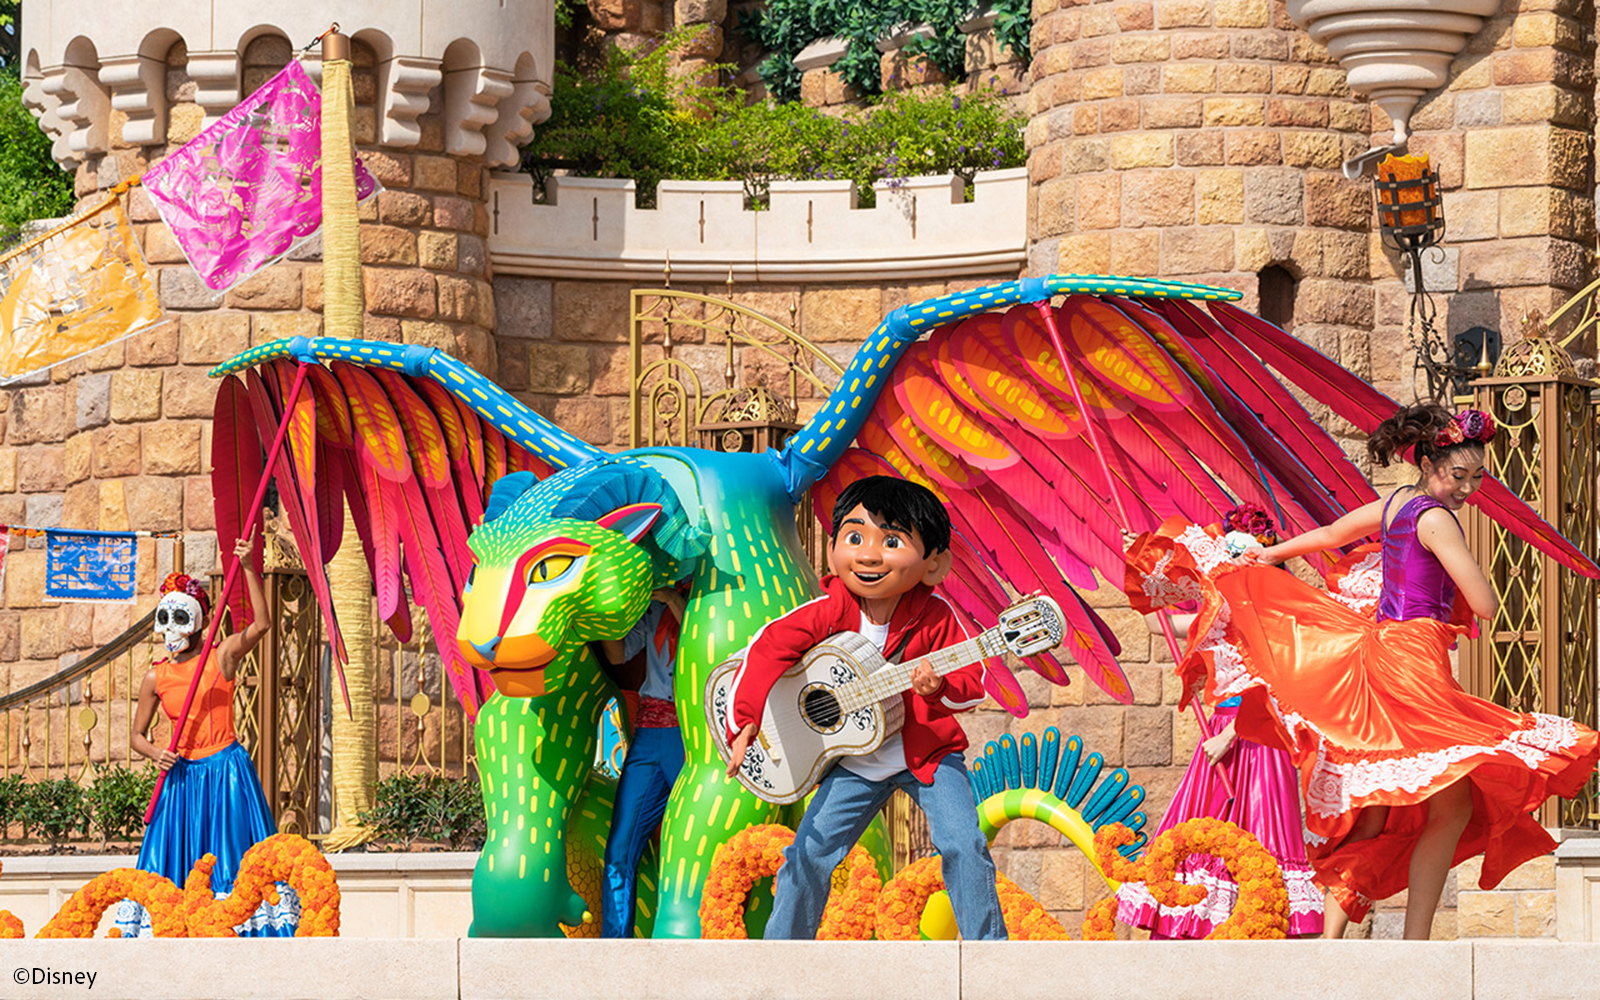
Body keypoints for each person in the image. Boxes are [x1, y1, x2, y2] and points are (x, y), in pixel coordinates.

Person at [1128, 404, 1598, 940]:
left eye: (1477, 477)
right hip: (1415, 661)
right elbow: (1486, 605)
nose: (1468, 488)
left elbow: (1330, 534)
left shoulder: (1397, 503)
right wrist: (1473, 575)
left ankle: (1336, 942)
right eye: (1458, 475)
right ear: (1430, 463)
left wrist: (1267, 554)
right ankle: (1415, 942)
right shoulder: (1438, 518)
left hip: (1380, 654)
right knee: (1453, 803)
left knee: (1380, 810)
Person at [724, 475, 1006, 940]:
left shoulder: (936, 619)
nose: (869, 554)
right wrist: (746, 719)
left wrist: (935, 688)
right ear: (834, 546)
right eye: (855, 537)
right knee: (809, 853)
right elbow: (768, 648)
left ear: (933, 563)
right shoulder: (829, 610)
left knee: (964, 843)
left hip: (928, 757)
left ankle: (987, 956)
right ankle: (781, 958)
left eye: (891, 541)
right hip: (853, 761)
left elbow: (971, 687)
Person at [1116, 506, 1324, 938]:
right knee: (1202, 827)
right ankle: (1200, 929)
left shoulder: (1277, 615)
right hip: (1224, 738)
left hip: (1257, 740)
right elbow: (1163, 628)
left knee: (1258, 836)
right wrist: (1141, 560)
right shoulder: (1224, 617)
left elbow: (1278, 685)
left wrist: (1230, 734)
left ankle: (1256, 930)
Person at [114, 534, 299, 938]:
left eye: (181, 618)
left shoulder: (221, 656)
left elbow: (263, 625)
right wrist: (155, 753)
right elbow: (137, 736)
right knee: (172, 862)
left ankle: (242, 926)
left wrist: (250, 567)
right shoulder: (154, 676)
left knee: (231, 857)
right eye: (164, 618)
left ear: (198, 621)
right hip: (181, 779)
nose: (169, 628)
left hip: (226, 772)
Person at [597, 583, 687, 938]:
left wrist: (673, 599)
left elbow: (701, 639)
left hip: (692, 734)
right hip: (649, 736)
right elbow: (619, 656)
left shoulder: (713, 595)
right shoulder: (652, 605)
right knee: (620, 846)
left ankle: (683, 939)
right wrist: (606, 616)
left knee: (687, 845)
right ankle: (613, 944)